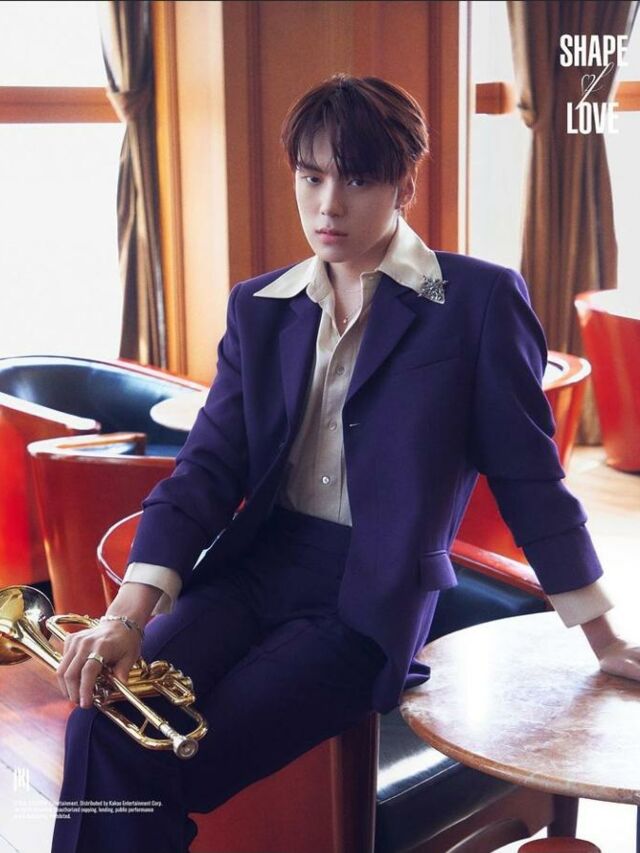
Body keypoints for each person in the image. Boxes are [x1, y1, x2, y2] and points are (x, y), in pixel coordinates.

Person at [52, 74, 640, 853]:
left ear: (405, 184)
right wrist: (126, 615)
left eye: (357, 180)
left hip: (370, 595)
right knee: (102, 718)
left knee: (170, 750)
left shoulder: (477, 301)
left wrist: (604, 637)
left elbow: (531, 480)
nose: (329, 205)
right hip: (255, 570)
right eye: (312, 176)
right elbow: (207, 469)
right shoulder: (260, 308)